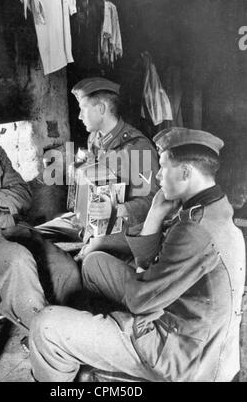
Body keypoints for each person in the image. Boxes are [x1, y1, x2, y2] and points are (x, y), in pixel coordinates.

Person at [29, 126, 246, 382]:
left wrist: (129, 303)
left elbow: (141, 301)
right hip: (191, 332)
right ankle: (93, 342)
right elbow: (157, 266)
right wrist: (154, 215)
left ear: (186, 172)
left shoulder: (195, 229)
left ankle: (90, 345)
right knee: (95, 263)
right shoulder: (211, 207)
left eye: (164, 167)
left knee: (46, 326)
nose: (158, 176)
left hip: (180, 356)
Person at [0, 86, 81, 331]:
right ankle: (45, 338)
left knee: (66, 268)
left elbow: (23, 194)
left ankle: (75, 334)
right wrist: (7, 213)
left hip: (11, 231)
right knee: (18, 261)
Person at [42, 77, 159, 259]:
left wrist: (115, 209)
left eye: (82, 109)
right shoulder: (95, 138)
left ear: (102, 109)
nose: (79, 116)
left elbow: (152, 201)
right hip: (88, 220)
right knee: (35, 233)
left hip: (120, 227)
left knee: (77, 259)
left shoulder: (136, 147)